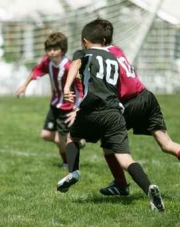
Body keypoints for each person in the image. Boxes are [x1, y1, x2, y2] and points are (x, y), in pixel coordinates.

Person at [56, 20, 165, 212]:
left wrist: (67, 87)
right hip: (115, 113)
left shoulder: (84, 53)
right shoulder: (114, 58)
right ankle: (149, 188)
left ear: (84, 41)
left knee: (72, 137)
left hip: (93, 111)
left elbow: (75, 64)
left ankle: (73, 172)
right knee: (125, 158)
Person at [89, 19, 180, 196]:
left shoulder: (100, 59)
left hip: (131, 102)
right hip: (147, 96)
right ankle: (120, 184)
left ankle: (121, 185)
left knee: (108, 142)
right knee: (166, 144)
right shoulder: (116, 49)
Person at [16, 32, 84, 167]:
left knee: (60, 140)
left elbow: (80, 86)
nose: (51, 53)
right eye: (49, 49)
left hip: (67, 108)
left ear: (63, 50)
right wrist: (24, 85)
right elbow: (36, 71)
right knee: (46, 135)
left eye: (55, 49)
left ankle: (67, 163)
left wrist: (78, 106)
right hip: (54, 105)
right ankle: (75, 140)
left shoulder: (69, 66)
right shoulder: (47, 62)